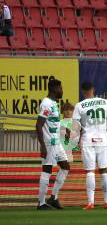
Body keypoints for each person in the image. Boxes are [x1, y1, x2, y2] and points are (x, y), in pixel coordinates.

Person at [73, 82, 107, 210]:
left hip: (87, 141)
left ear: (82, 91)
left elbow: (75, 128)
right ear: (93, 89)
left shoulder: (79, 106)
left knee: (90, 172)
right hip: (102, 140)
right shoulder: (104, 102)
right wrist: (104, 131)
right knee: (104, 171)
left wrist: (75, 142)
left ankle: (90, 203)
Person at [35, 79, 70, 210]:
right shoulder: (46, 104)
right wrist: (42, 145)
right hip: (49, 143)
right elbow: (39, 125)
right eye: (61, 88)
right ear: (54, 89)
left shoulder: (54, 103)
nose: (62, 91)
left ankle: (53, 197)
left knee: (65, 167)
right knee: (47, 170)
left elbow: (53, 122)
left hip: (57, 142)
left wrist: (64, 131)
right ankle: (41, 203)